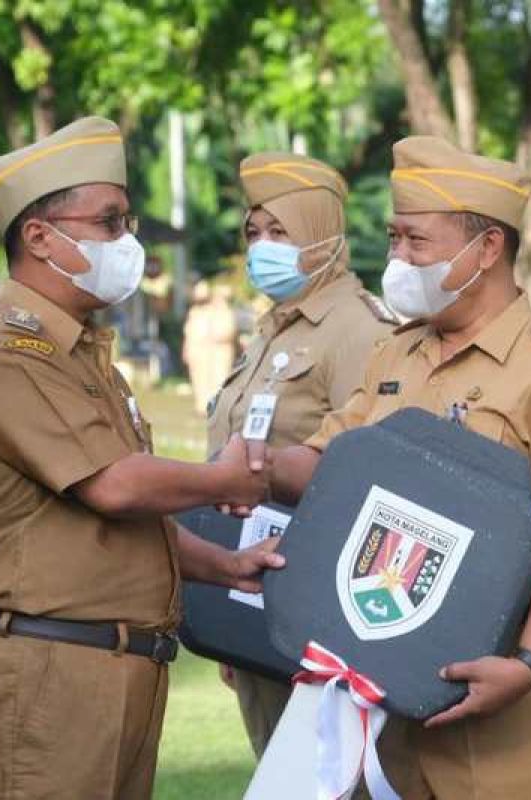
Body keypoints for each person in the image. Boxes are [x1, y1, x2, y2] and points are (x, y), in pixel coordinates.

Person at [266, 136, 531, 799]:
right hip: (381, 693)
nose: (396, 257)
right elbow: (325, 463)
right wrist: (248, 468)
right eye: (394, 239)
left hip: (501, 714)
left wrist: (529, 664)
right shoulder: (395, 356)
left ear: (487, 249)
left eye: (415, 242)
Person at [0, 117, 281, 800]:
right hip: (48, 672)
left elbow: (128, 522)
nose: (127, 241)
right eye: (109, 222)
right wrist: (222, 479)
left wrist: (225, 567)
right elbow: (114, 487)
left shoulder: (85, 356)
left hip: (116, 668)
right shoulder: (7, 353)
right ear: (40, 238)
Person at [207, 151, 399, 761]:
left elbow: (370, 477)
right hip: (255, 587)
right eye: (254, 233)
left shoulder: (360, 329)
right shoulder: (274, 328)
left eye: (280, 233)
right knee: (278, 766)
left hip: (320, 607)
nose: (262, 248)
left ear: (322, 234)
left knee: (326, 774)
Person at [182, 279, 239, 416]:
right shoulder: (195, 312)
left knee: (219, 378)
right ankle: (202, 406)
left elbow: (229, 332)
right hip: (198, 350)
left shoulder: (224, 312)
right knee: (199, 379)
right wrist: (186, 349)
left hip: (219, 351)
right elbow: (189, 333)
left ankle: (217, 407)